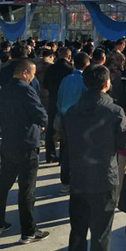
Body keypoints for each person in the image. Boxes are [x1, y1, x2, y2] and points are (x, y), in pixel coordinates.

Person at [64, 64, 126, 251]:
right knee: (101, 234)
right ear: (107, 83)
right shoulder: (115, 111)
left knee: (77, 230)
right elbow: (123, 143)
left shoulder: (72, 111)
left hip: (79, 177)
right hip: (104, 178)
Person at [0, 59, 50, 243]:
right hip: (26, 143)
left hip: (9, 142)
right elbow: (40, 113)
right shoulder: (26, 90)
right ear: (25, 73)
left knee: (3, 184)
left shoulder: (5, 89)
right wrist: (43, 123)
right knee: (27, 189)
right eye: (32, 74)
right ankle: (28, 230)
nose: (33, 77)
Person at [55, 52, 90, 194]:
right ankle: (78, 180)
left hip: (65, 118)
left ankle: (65, 182)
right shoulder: (85, 81)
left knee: (66, 151)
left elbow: (59, 98)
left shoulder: (66, 79)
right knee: (81, 150)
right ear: (87, 64)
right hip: (81, 119)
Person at [44, 48, 74, 164]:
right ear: (69, 57)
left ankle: (50, 154)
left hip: (52, 100)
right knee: (65, 129)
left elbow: (45, 85)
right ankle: (63, 156)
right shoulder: (70, 70)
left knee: (51, 128)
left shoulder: (50, 68)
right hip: (66, 102)